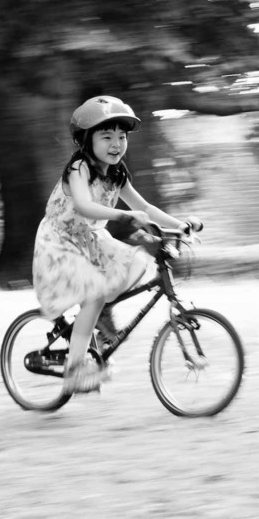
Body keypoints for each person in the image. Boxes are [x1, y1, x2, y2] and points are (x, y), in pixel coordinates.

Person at [33, 95, 200, 395]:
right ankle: (74, 369)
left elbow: (145, 207)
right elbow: (84, 206)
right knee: (96, 295)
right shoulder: (79, 168)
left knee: (133, 263)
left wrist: (180, 226)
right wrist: (124, 214)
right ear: (86, 141)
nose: (116, 144)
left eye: (121, 137)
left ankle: (95, 323)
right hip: (60, 242)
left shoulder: (117, 173)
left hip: (90, 240)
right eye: (107, 136)